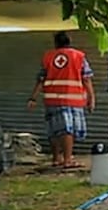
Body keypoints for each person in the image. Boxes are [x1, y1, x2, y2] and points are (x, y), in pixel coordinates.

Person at [26, 31, 94, 169]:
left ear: (56, 43)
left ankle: (56, 158)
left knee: (54, 129)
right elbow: (86, 79)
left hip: (51, 100)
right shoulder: (79, 56)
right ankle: (68, 160)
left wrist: (33, 98)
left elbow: (41, 79)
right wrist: (91, 98)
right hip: (72, 99)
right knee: (68, 130)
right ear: (69, 42)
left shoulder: (48, 57)